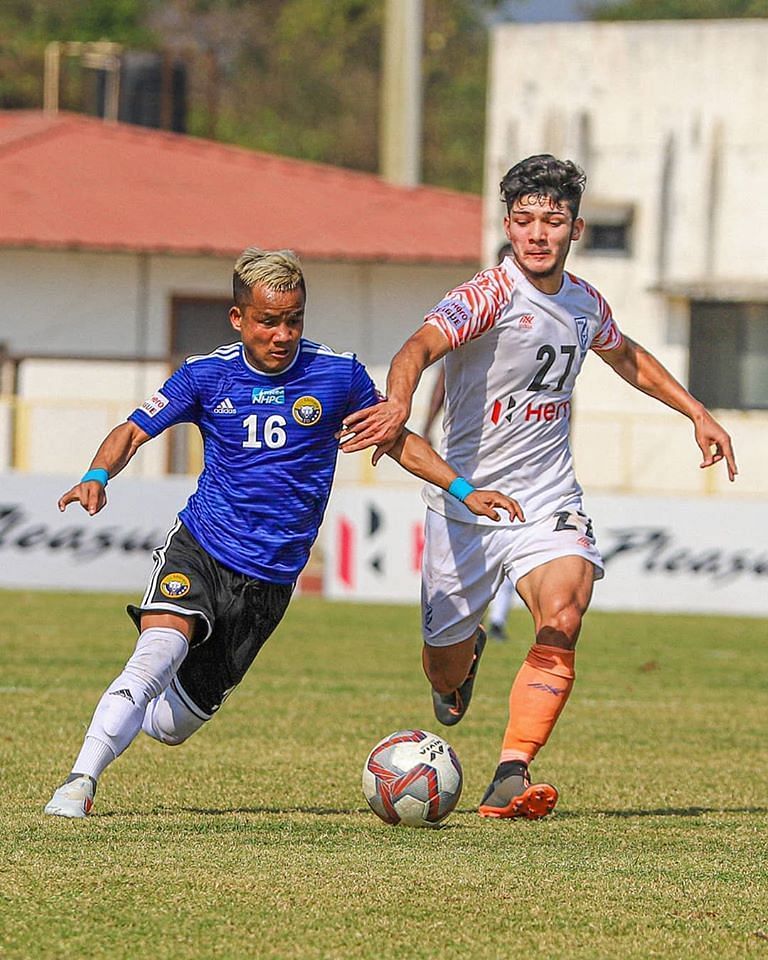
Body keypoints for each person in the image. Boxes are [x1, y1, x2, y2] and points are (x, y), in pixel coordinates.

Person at [44, 247, 521, 818]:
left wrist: (465, 490)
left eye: (293, 318)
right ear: (239, 318)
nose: (283, 333)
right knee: (156, 652)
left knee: (170, 726)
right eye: (269, 320)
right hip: (202, 548)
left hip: (270, 581)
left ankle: (136, 709)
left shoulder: (338, 375)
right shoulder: (205, 375)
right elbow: (131, 431)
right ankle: (79, 782)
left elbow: (399, 442)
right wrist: (97, 475)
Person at [339, 155, 737, 820]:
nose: (537, 233)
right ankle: (460, 671)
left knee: (564, 617)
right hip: (464, 502)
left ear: (575, 227)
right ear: (507, 225)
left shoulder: (584, 303)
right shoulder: (485, 296)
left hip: (546, 499)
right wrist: (399, 401)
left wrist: (695, 411)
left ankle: (510, 772)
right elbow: (416, 346)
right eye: (524, 220)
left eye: (552, 220)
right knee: (441, 668)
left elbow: (628, 356)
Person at [421, 241, 519, 643]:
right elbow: (440, 373)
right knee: (465, 556)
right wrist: (425, 425)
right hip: (468, 460)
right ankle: (466, 628)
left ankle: (497, 620)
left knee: (519, 540)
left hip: (523, 461)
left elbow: (563, 395)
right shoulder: (475, 308)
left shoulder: (550, 315)